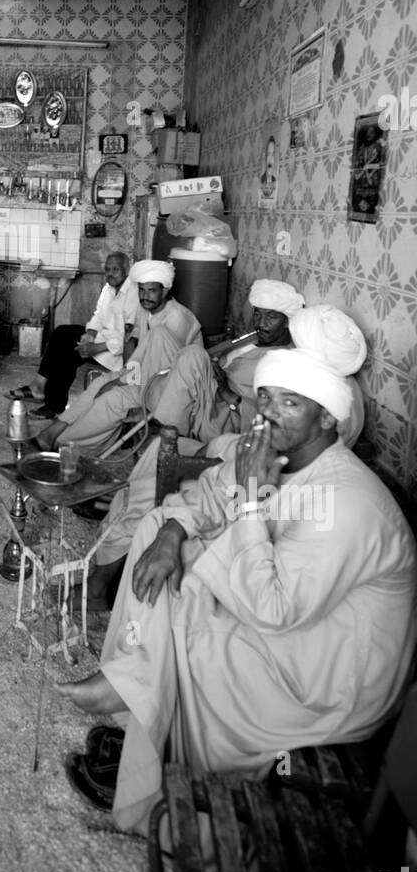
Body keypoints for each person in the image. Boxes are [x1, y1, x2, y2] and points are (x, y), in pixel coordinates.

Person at [58, 329, 417, 832]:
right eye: (266, 396)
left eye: (290, 402)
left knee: (192, 629)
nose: (268, 411)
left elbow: (273, 610)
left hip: (325, 677)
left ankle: (158, 778)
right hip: (292, 622)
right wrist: (175, 530)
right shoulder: (274, 451)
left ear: (328, 417)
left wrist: (248, 501)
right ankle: (140, 706)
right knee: (161, 536)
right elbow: (210, 491)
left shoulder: (348, 502)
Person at [85, 302, 368, 610]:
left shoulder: (333, 400)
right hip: (245, 448)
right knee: (157, 452)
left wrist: (226, 456)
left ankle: (99, 587)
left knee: (149, 491)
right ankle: (112, 552)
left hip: (262, 476)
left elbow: (277, 463)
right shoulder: (308, 384)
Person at [35, 260, 201, 455]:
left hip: (167, 386)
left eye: (151, 291)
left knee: (111, 399)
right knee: (98, 385)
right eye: (141, 290)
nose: (145, 296)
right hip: (145, 373)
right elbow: (134, 340)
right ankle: (52, 431)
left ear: (164, 291)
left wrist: (122, 382)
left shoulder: (177, 319)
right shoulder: (146, 309)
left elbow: (167, 370)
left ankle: (63, 443)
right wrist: (123, 373)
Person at [150, 278, 305, 441]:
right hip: (209, 393)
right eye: (257, 314)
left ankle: (166, 436)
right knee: (160, 335)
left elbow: (269, 413)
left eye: (271, 317)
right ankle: (147, 402)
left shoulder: (284, 360)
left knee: (192, 355)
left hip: (222, 417)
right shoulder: (253, 339)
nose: (261, 323)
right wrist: (217, 361)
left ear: (287, 321)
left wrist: (226, 391)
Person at [9, 251, 137, 418]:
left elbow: (129, 339)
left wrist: (94, 347)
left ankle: (51, 403)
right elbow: (98, 315)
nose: (110, 274)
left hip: (115, 353)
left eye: (115, 269)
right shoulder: (109, 288)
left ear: (126, 269)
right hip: (100, 340)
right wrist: (89, 334)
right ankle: (39, 387)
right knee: (62, 333)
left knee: (68, 352)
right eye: (107, 269)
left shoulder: (133, 294)